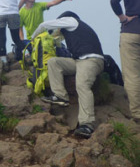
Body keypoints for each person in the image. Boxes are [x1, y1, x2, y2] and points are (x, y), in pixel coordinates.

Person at [33, 11, 104, 139]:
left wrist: (32, 40)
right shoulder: (74, 29)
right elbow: (56, 38)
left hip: (91, 60)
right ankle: (61, 96)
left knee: (82, 85)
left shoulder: (71, 21)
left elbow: (45, 25)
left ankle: (87, 125)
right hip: (79, 61)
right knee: (54, 62)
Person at [110, 0, 140, 123]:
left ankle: (137, 115)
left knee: (132, 75)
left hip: (131, 32)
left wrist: (122, 17)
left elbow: (114, 0)